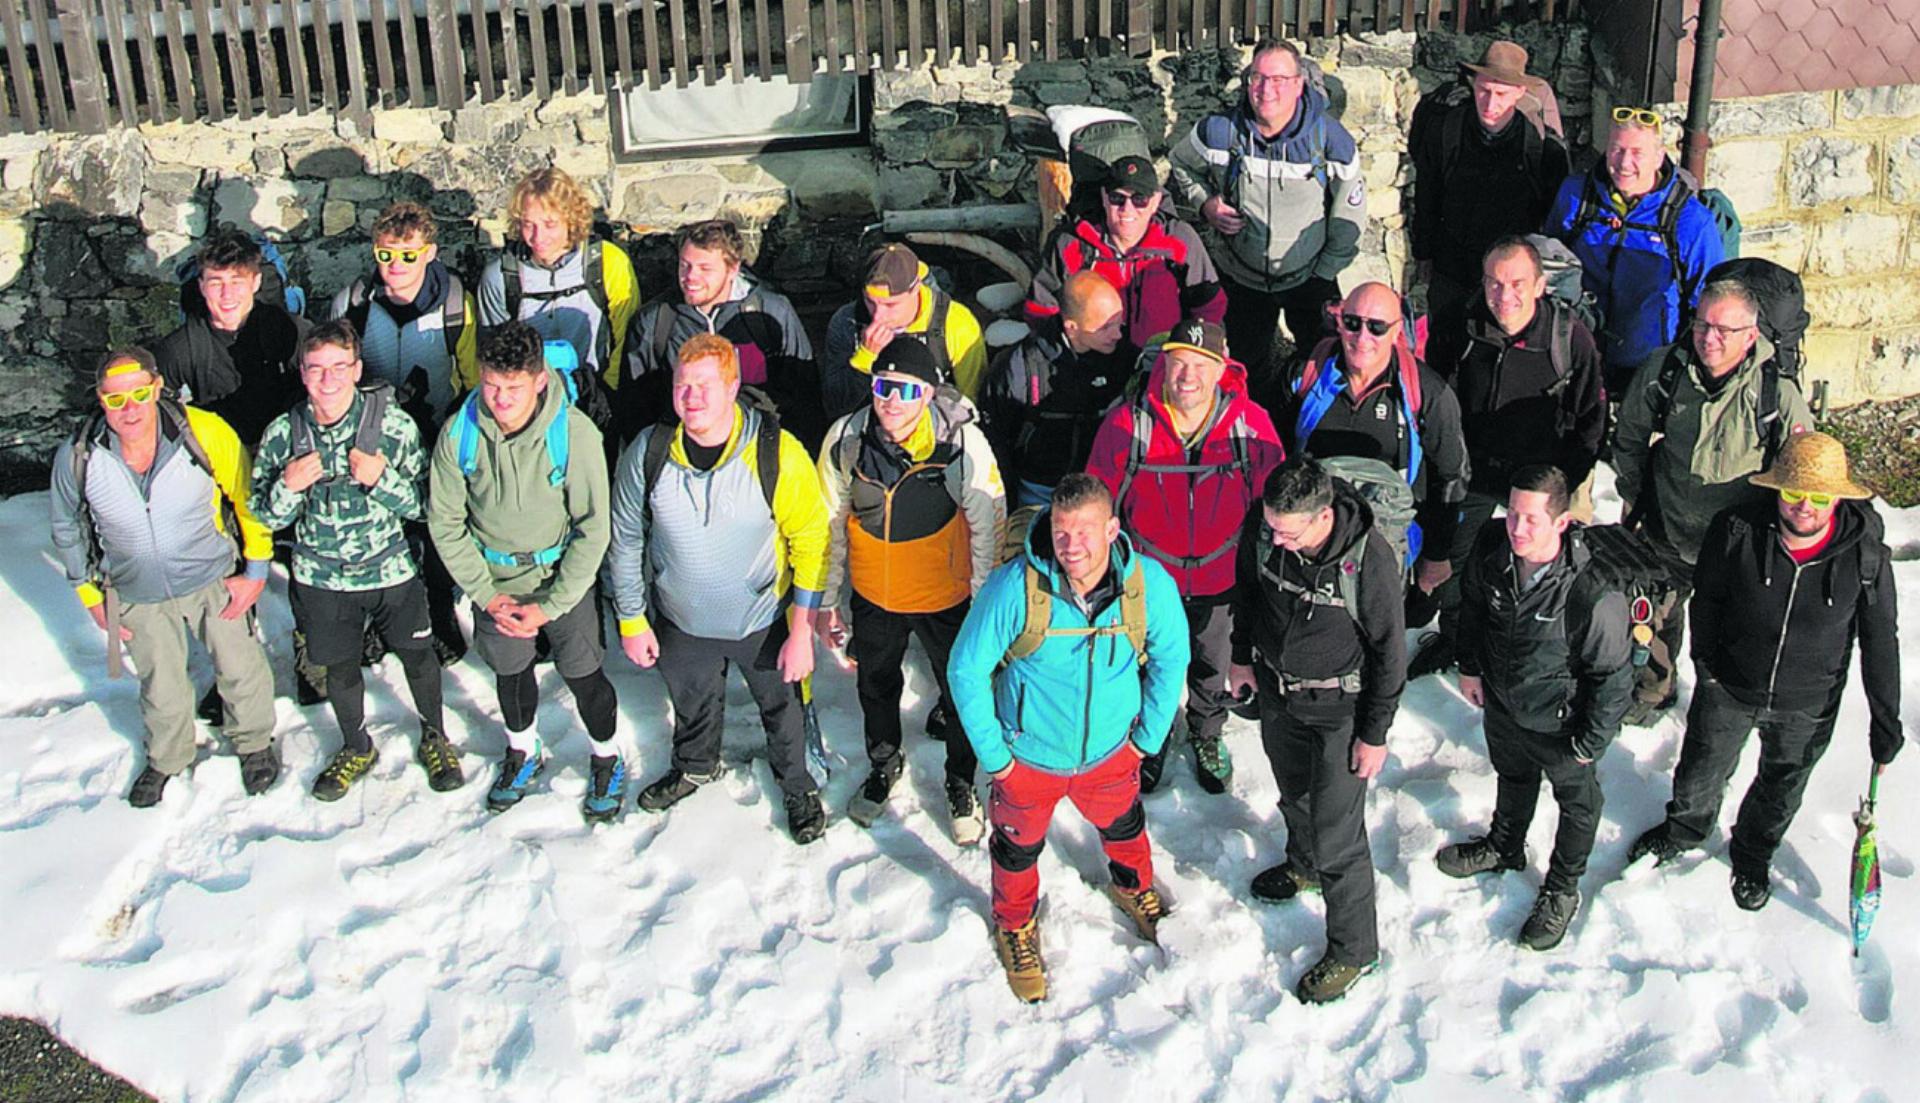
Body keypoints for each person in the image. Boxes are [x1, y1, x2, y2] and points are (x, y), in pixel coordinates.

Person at [1626, 433, 1903, 911]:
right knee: (1699, 773)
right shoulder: (1736, 529)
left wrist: (1885, 721)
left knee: (1781, 787)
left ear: (1837, 497)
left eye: (1819, 497)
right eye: (1794, 494)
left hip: (1808, 703)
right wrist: (1707, 667)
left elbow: (1880, 639)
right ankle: (1686, 828)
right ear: (1777, 490)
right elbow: (1708, 600)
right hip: (1730, 688)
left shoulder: (1865, 556)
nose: (1805, 507)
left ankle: (1752, 854)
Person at [948, 474, 1189, 1003]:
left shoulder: (1148, 587)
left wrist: (1145, 740)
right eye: (1060, 532)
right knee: (1016, 850)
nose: (1071, 547)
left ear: (1112, 529)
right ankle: (1015, 926)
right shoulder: (1017, 588)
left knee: (1125, 826)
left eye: (1084, 532)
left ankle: (1134, 891)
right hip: (1028, 758)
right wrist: (998, 759)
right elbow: (966, 669)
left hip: (1110, 753)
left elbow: (1172, 659)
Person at [608, 334, 832, 844]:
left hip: (761, 618)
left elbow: (812, 540)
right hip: (681, 617)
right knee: (692, 702)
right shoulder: (649, 451)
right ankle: (694, 764)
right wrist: (631, 617)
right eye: (683, 385)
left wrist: (801, 630)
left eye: (706, 385)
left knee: (784, 712)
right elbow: (624, 538)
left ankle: (796, 784)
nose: (693, 398)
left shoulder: (777, 452)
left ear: (733, 387)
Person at [49, 349, 279, 805]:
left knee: (240, 666)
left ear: (156, 388)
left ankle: (255, 744)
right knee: (160, 682)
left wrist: (255, 570)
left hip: (214, 575)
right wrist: (88, 592)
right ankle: (167, 758)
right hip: (133, 590)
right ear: (101, 400)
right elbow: (65, 525)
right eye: (116, 400)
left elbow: (246, 496)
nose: (130, 408)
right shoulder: (78, 454)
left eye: (139, 394)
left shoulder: (203, 431)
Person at [250, 322, 460, 801]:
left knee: (418, 657)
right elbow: (262, 513)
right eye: (316, 369)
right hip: (321, 579)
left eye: (339, 367)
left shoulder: (393, 426)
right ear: (301, 373)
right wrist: (290, 486)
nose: (328, 380)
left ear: (357, 370)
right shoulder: (284, 433)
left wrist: (381, 479)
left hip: (391, 570)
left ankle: (436, 735)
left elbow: (427, 505)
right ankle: (356, 745)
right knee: (340, 668)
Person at [427, 322, 623, 822]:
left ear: (539, 380)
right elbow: (445, 521)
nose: (500, 399)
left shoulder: (574, 433)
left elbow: (593, 527)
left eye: (514, 388)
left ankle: (606, 754)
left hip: (562, 578)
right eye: (491, 384)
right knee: (510, 674)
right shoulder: (461, 432)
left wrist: (552, 604)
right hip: (495, 584)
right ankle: (522, 749)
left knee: (583, 674)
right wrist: (486, 594)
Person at [1228, 458, 1403, 1004]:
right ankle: (1303, 865)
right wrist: (1240, 659)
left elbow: (1390, 653)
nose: (1276, 540)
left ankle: (1354, 949)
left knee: (1339, 836)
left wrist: (1373, 733)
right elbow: (1247, 592)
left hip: (1341, 710)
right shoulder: (1264, 530)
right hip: (1281, 695)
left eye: (1289, 532)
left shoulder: (1366, 561)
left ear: (1324, 517)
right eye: (1272, 527)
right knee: (1294, 794)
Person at [816, 338, 1006, 842]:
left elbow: (988, 523)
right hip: (876, 597)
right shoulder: (846, 440)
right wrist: (827, 598)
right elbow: (829, 521)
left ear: (927, 394)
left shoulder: (962, 444)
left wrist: (985, 602)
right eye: (883, 386)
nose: (891, 400)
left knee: (961, 690)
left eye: (905, 389)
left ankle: (961, 781)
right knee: (876, 687)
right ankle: (883, 764)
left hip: (947, 597)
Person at [1435, 465, 1632, 951]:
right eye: (1513, 515)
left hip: (1562, 725)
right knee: (1513, 775)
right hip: (1503, 703)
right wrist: (1470, 665)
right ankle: (1504, 845)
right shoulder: (1492, 548)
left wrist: (1591, 741)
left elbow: (1613, 676)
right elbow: (1474, 607)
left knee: (1578, 804)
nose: (1517, 530)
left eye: (1531, 521)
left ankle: (1562, 890)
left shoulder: (1591, 592)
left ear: (1561, 523)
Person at [1087, 316, 1283, 794]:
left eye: (1201, 364)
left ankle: (1206, 732)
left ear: (1221, 370)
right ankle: (1149, 739)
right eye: (1178, 362)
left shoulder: (1250, 427)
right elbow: (1095, 504)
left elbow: (1275, 508)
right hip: (1150, 580)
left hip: (1220, 579)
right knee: (1148, 663)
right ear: (1164, 365)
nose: (1188, 376)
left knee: (1211, 663)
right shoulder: (1126, 425)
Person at [1611, 278, 1813, 724]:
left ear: (1751, 335)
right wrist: (1635, 495)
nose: (1709, 338)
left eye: (1724, 330)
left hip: (1736, 546)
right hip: (1666, 529)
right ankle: (1652, 692)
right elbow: (1628, 436)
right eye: (1702, 324)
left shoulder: (1775, 395)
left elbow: (1805, 469)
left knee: (1731, 633)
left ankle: (1722, 712)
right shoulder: (1664, 371)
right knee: (1653, 619)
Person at [1409, 237, 1604, 679]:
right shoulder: (1460, 323)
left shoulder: (1569, 338)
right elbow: (1437, 398)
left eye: (1517, 283)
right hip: (1475, 471)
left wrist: (1562, 486)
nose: (1504, 296)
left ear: (1539, 286)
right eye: (1494, 283)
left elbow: (1591, 420)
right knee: (1459, 568)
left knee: (1547, 570)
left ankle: (1543, 651)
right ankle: (1461, 643)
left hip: (1543, 479)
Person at [329, 199, 481, 662]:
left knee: (434, 526)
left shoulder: (454, 302)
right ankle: (376, 622)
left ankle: (439, 614)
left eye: (408, 255)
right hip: (371, 431)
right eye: (386, 255)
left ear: (430, 253)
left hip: (436, 425)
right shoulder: (354, 302)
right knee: (376, 530)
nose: (396, 266)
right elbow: (335, 370)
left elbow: (472, 373)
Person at [1168, 37, 1365, 389]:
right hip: (1241, 277)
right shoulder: (1219, 132)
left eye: (1278, 80)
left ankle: (1308, 439)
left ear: (1298, 84)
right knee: (1243, 375)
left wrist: (1325, 272)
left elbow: (1348, 220)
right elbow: (1180, 164)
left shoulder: (1331, 141)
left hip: (1310, 279)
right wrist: (1205, 204)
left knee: (1324, 375)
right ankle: (1254, 437)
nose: (1265, 89)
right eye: (1257, 78)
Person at [1280, 281, 1470, 599]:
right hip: (1309, 542)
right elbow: (1275, 452)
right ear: (1339, 321)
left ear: (1397, 331)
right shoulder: (1305, 374)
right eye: (1353, 323)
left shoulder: (1427, 393)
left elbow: (1451, 476)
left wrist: (1436, 555)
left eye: (1377, 327)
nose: (1362, 337)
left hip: (1385, 545)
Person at [1409, 41, 1570, 376]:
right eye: (1483, 91)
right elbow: (1427, 192)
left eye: (1501, 94)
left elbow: (1553, 216)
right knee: (1442, 352)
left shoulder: (1541, 147)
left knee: (1495, 356)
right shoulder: (1446, 130)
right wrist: (1423, 252)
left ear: (1519, 94)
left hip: (1507, 276)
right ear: (1473, 86)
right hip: (1452, 263)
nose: (1490, 103)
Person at [1545, 107, 1725, 396]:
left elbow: (1709, 297)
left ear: (1659, 157)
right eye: (1616, 149)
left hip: (1648, 365)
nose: (1624, 162)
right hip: (1577, 351)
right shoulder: (1577, 196)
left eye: (1637, 153)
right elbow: (1548, 259)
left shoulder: (1690, 220)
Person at [619, 218, 821, 448]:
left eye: (705, 268)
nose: (690, 277)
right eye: (684, 265)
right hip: (682, 456)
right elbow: (635, 409)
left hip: (759, 451)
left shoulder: (772, 312)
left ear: (733, 269)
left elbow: (805, 398)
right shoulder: (654, 323)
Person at [476, 166, 638, 422]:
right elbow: (492, 354)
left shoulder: (608, 262)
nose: (538, 237)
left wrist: (610, 393)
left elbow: (626, 333)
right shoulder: (500, 276)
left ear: (571, 219)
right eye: (528, 224)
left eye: (550, 224)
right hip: (528, 404)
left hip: (594, 394)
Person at [1026, 155, 1227, 355]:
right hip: (1091, 364)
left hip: (1160, 364)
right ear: (1104, 197)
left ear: (1155, 201)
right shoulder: (1072, 243)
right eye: (1117, 198)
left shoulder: (1180, 241)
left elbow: (1209, 309)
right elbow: (1042, 309)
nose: (1126, 209)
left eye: (1139, 199)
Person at [980, 271, 1132, 509]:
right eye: (1105, 328)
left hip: (1099, 488)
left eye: (1119, 322)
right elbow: (995, 440)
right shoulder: (1019, 367)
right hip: (1037, 490)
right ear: (1071, 328)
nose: (1118, 334)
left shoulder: (1124, 358)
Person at [152, 228, 307, 449]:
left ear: (255, 283)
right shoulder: (183, 347)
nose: (227, 295)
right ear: (202, 286)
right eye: (216, 283)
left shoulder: (289, 331)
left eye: (237, 281)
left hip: (286, 450)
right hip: (220, 456)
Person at [821, 243, 989, 421]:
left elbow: (973, 404)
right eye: (870, 302)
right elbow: (835, 406)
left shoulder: (956, 323)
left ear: (915, 289)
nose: (878, 316)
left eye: (891, 305)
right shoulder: (847, 322)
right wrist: (865, 357)